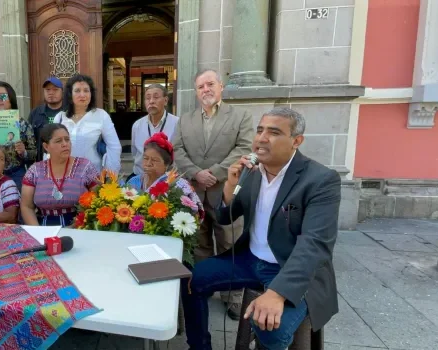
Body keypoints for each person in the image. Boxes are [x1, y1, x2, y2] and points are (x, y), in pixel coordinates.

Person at [181, 107, 341, 350]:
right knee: (193, 280)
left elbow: (315, 244)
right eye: (259, 130)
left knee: (270, 328)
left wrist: (278, 292)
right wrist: (229, 186)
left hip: (289, 267)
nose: (262, 138)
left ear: (296, 141)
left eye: (274, 132)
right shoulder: (251, 173)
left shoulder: (320, 180)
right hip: (250, 259)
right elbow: (225, 217)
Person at [172, 69, 253, 318]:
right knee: (200, 244)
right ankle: (205, 285)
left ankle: (234, 296)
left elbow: (245, 148)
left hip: (225, 192)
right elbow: (177, 149)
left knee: (230, 243)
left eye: (210, 84)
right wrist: (196, 173)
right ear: (196, 92)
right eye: (200, 87)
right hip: (195, 192)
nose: (205, 90)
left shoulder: (241, 116)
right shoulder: (185, 120)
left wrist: (215, 173)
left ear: (221, 86)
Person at [21, 124, 99, 227]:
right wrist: (39, 233)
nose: (65, 144)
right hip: (44, 228)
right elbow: (27, 206)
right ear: (46, 146)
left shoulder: (85, 167)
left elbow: (98, 201)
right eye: (58, 141)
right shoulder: (35, 171)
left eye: (67, 139)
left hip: (80, 227)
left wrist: (77, 225)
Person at [54, 74, 122, 173]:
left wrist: (109, 176)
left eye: (86, 90)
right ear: (70, 94)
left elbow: (114, 147)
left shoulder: (101, 115)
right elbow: (52, 148)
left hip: (93, 176)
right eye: (77, 91)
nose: (82, 95)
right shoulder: (60, 117)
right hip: (65, 176)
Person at [0, 81, 36, 192]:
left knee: (16, 207)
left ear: (11, 99)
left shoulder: (23, 124)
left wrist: (24, 152)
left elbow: (34, 154)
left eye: (3, 96)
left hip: (16, 174)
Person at [126, 132, 202, 213]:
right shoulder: (133, 182)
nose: (148, 163)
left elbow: (194, 214)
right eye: (145, 158)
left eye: (154, 160)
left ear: (167, 164)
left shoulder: (179, 185)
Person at [130, 84, 179, 180]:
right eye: (147, 98)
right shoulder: (137, 125)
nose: (151, 101)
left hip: (167, 180)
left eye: (156, 97)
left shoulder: (177, 123)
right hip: (140, 178)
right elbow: (135, 153)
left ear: (165, 100)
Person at [28, 77, 64, 162]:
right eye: (47, 90)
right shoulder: (35, 113)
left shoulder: (69, 113)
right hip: (41, 162)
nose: (51, 93)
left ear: (62, 91)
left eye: (55, 90)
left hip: (65, 161)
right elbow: (29, 140)